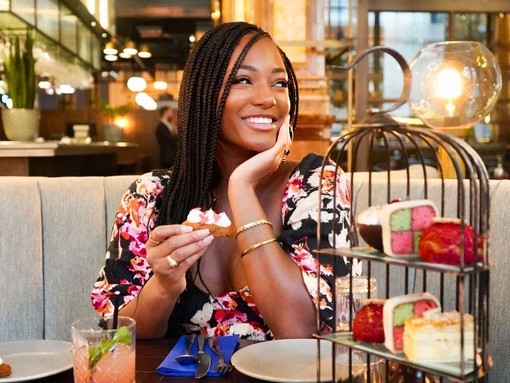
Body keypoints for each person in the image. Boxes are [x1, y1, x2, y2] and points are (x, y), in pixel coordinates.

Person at [91, 21, 359, 341]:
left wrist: (242, 185)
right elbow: (116, 335)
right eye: (243, 80)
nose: (267, 99)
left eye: (280, 83)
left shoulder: (317, 184)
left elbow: (299, 331)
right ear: (203, 95)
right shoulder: (151, 196)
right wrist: (163, 287)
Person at [155, 104, 178, 168]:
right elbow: (171, 140)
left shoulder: (169, 124)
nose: (172, 113)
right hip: (167, 157)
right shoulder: (161, 126)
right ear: (165, 112)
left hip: (171, 157)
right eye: (170, 111)